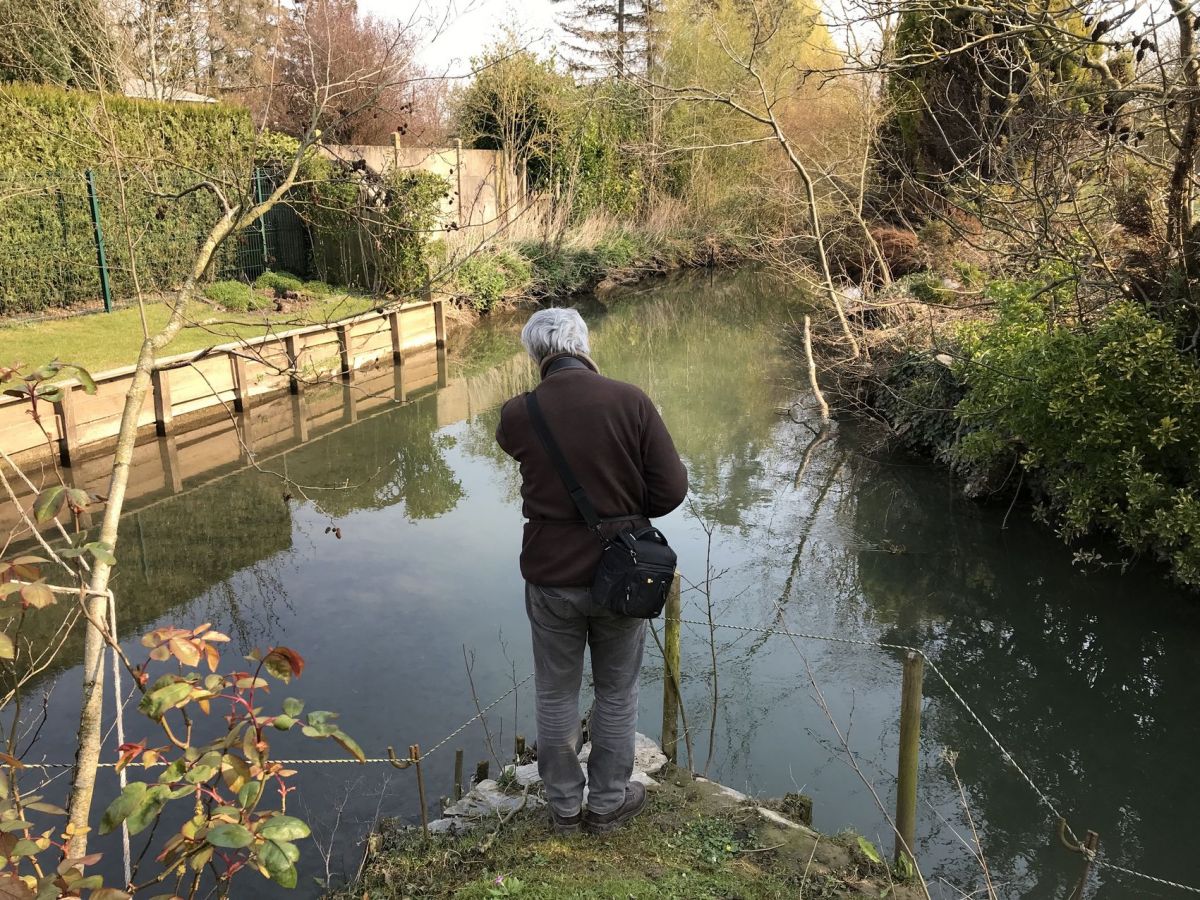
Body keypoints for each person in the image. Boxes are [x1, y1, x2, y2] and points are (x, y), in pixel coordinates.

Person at [495, 307, 688, 835]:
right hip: (623, 573)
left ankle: (563, 808)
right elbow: (671, 490)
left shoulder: (519, 412)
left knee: (556, 691)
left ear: (536, 353)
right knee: (617, 691)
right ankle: (606, 804)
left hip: (551, 573)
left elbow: (518, 451)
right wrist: (624, 508)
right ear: (583, 344)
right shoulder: (631, 401)